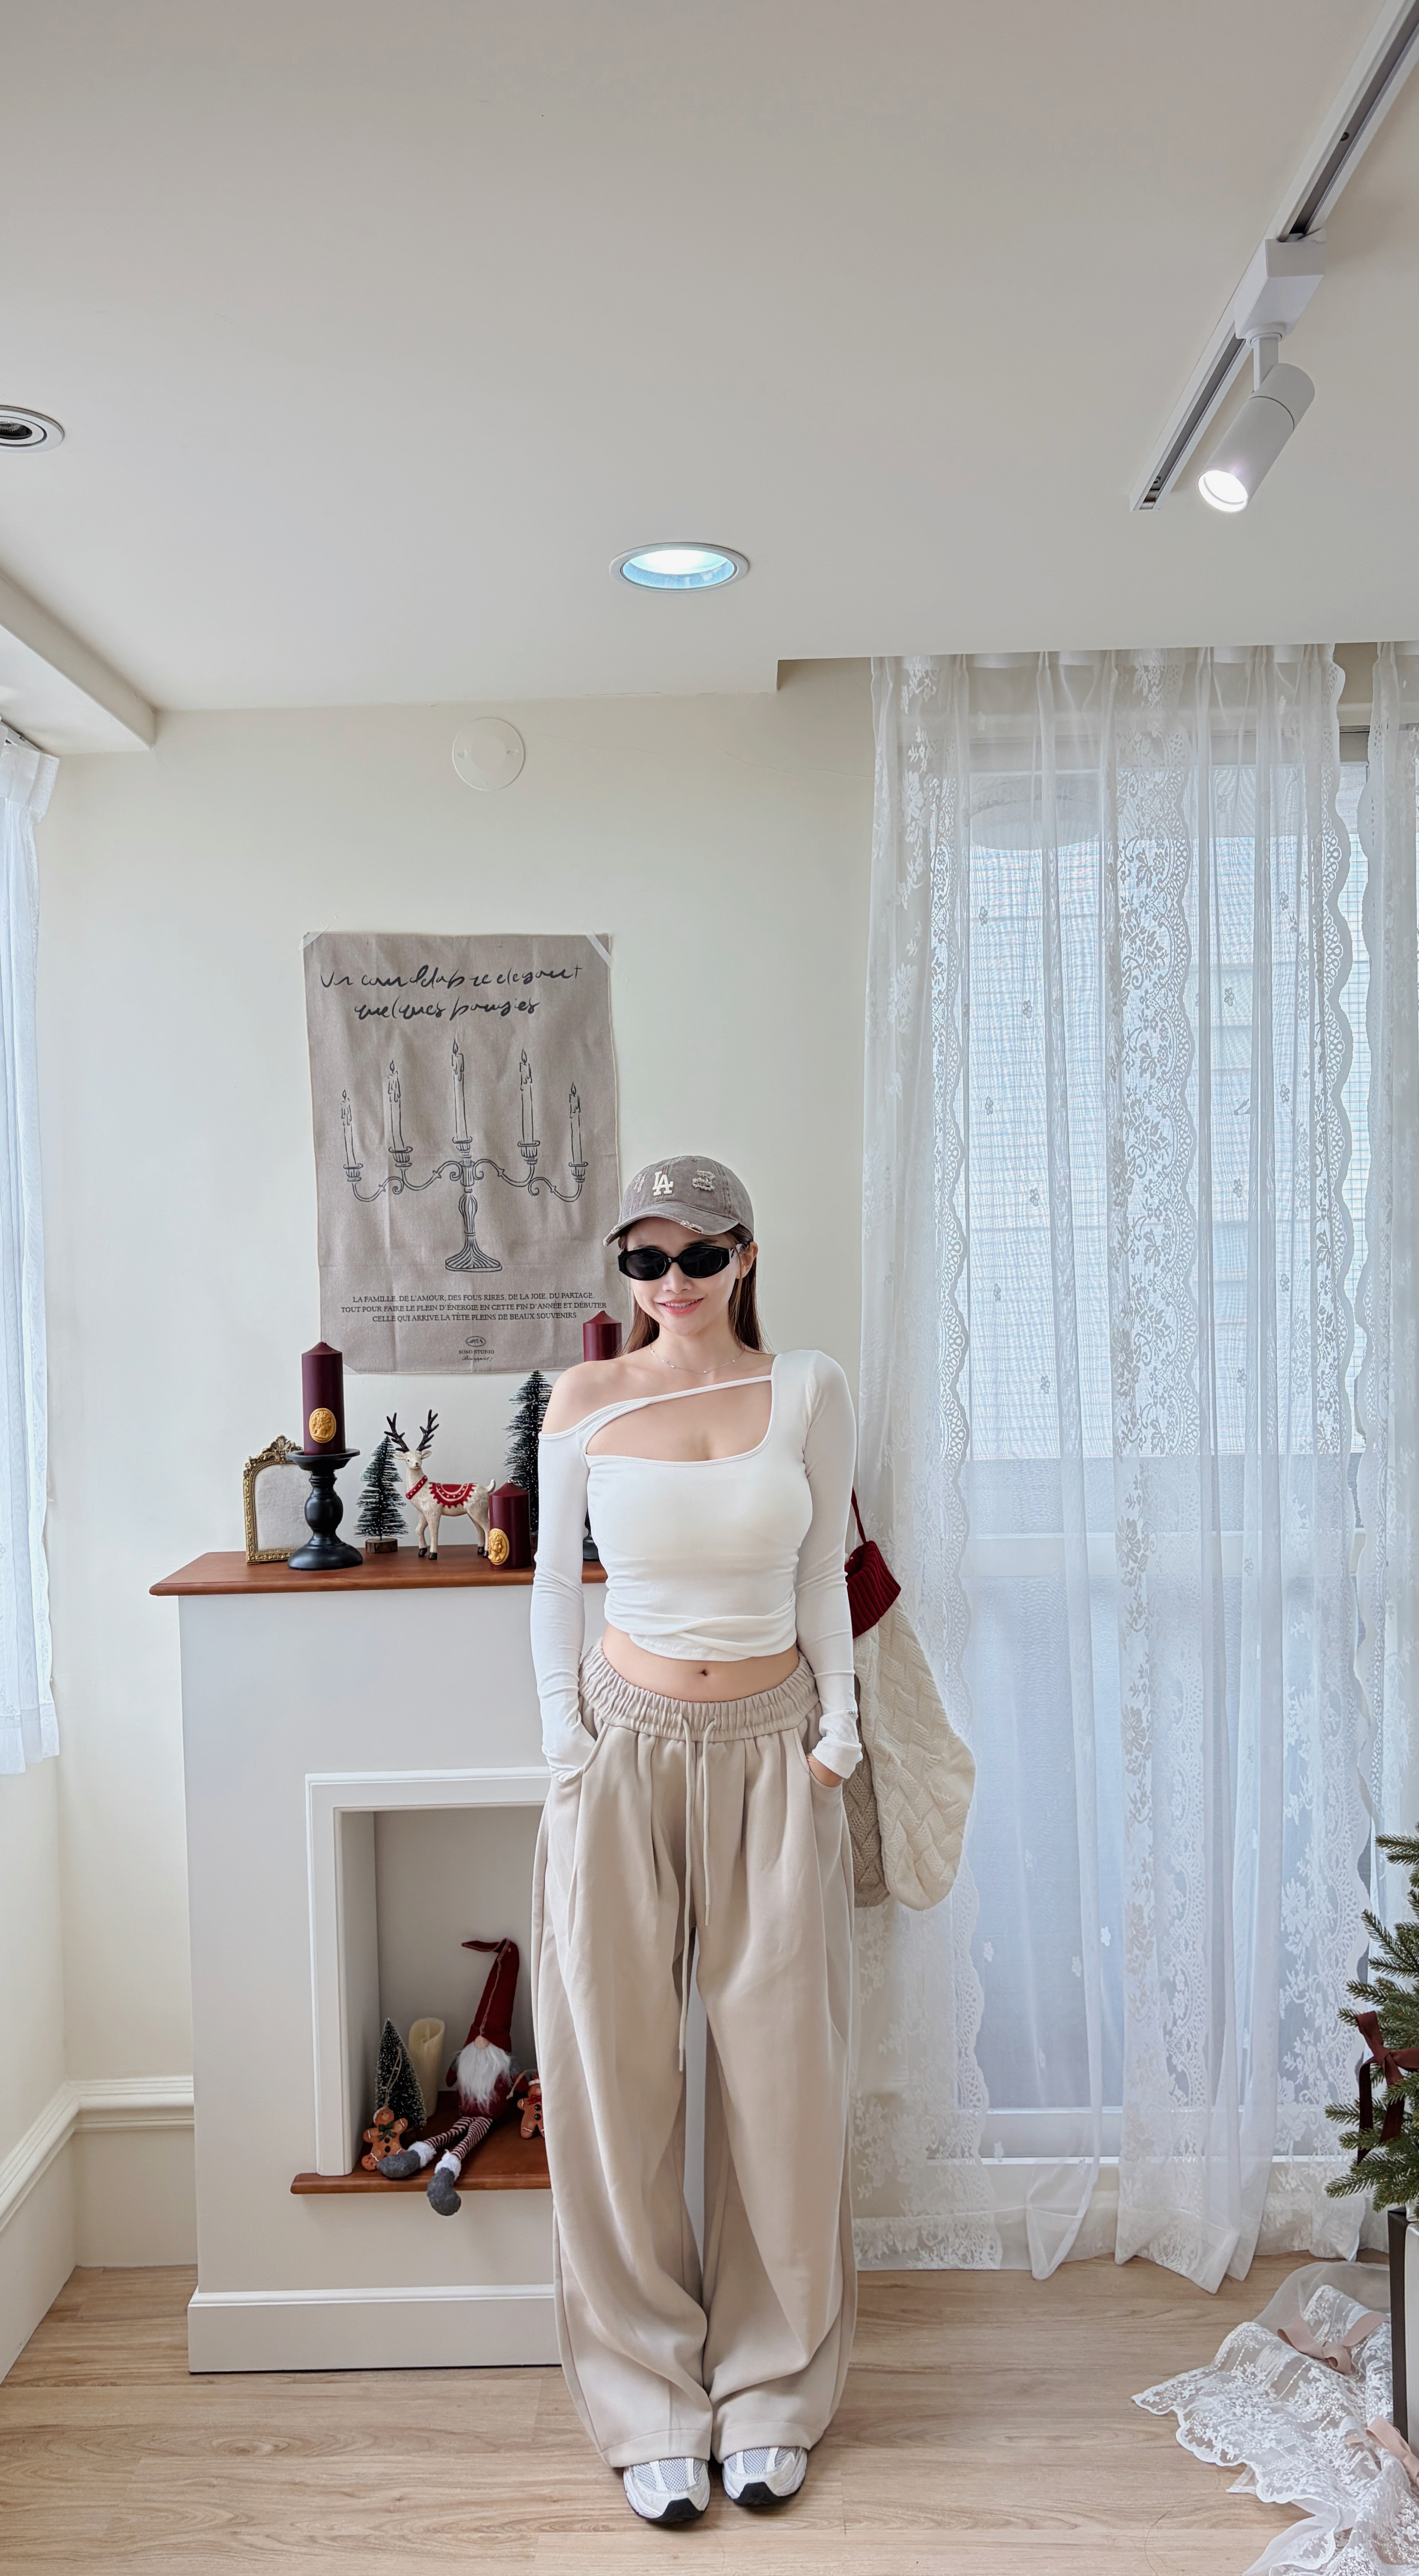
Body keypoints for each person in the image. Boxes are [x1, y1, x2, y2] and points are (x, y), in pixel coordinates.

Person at [530, 1154, 859, 2527]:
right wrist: (564, 1749)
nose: (673, 1283)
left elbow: (825, 1572)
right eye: (646, 1260)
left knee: (785, 2084)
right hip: (621, 1748)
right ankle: (649, 2398)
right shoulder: (586, 1399)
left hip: (778, 1751)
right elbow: (553, 1587)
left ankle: (772, 2390)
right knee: (614, 2079)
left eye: (700, 1256)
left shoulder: (811, 1389)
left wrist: (843, 1730)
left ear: (746, 1257)